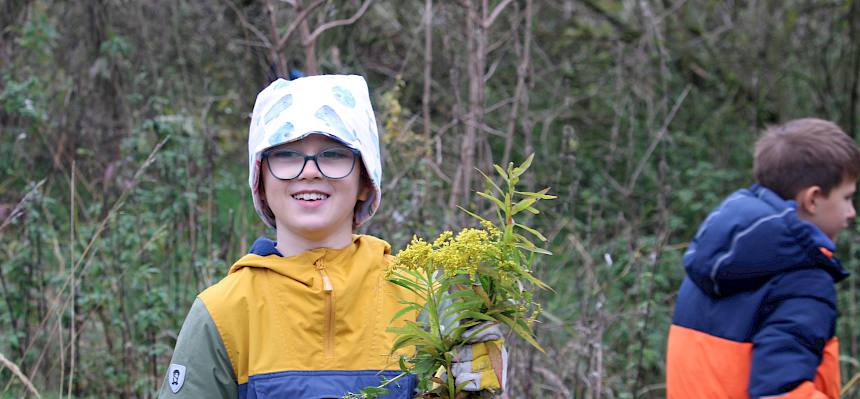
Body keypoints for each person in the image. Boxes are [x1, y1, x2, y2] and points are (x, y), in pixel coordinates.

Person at [158, 75, 505, 398]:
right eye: (286, 154)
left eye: (334, 154)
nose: (309, 171)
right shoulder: (223, 312)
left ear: (366, 179)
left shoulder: (424, 298)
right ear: (259, 179)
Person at [666, 118, 860, 398]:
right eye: (847, 198)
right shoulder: (803, 280)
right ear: (813, 199)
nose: (851, 212)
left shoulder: (714, 258)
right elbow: (781, 392)